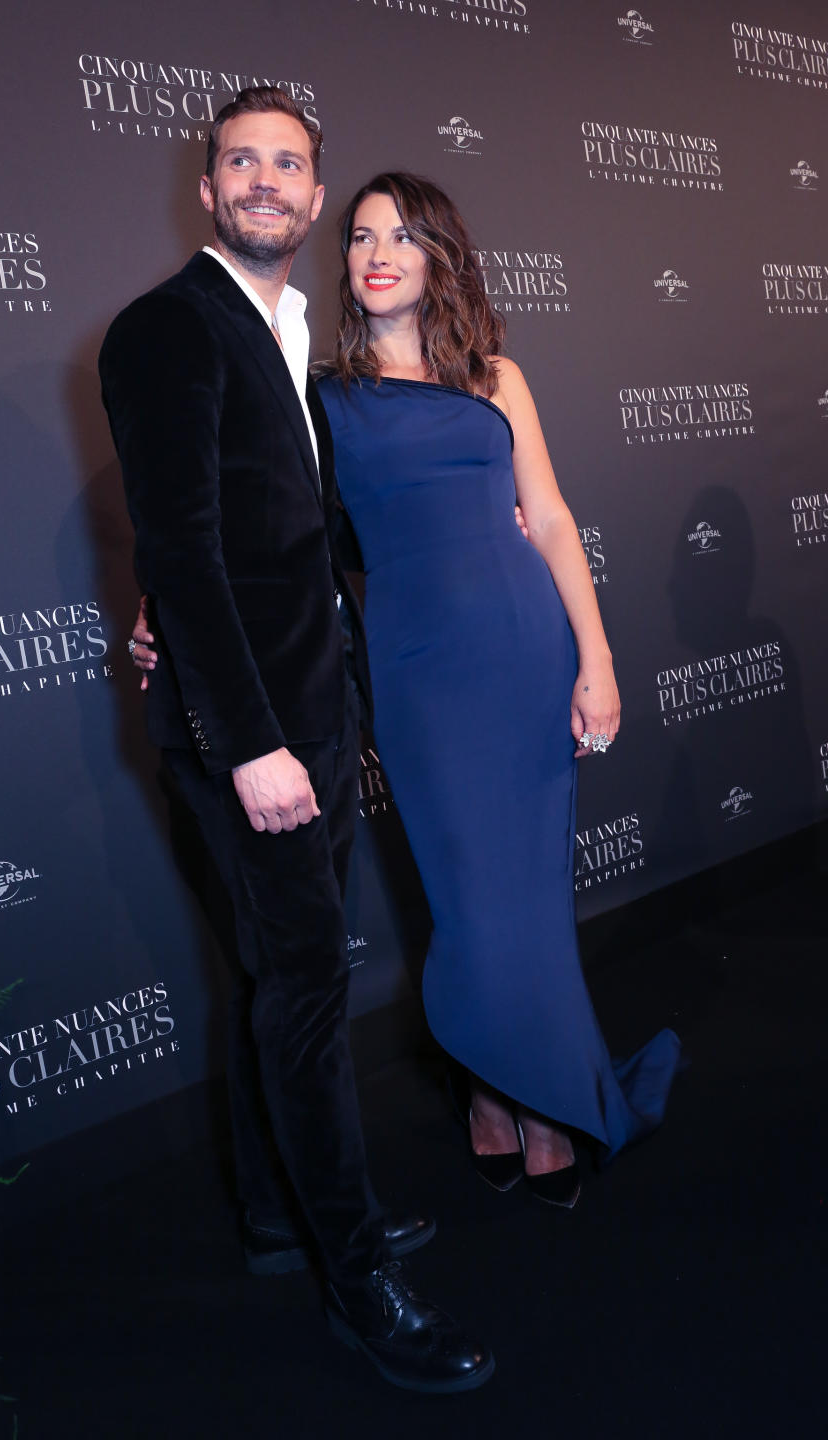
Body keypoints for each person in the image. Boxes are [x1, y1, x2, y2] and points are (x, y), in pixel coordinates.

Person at [136, 171, 680, 1207]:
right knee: (465, 895)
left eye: (401, 235)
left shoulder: (494, 377)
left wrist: (598, 659)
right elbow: (243, 518)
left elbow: (554, 521)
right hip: (420, 667)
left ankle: (541, 1103)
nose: (377, 253)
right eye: (360, 237)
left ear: (439, 256)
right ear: (344, 262)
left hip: (524, 646)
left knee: (524, 895)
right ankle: (491, 1088)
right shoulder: (322, 399)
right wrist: (161, 605)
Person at [99, 95, 493, 1393]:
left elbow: (294, 542)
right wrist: (251, 741)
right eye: (241, 163)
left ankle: (281, 1220)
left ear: (313, 199)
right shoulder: (168, 329)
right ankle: (356, 1274)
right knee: (314, 992)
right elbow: (181, 550)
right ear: (206, 190)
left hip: (319, 717)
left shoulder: (290, 337)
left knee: (281, 985)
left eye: (289, 165)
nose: (266, 182)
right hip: (255, 740)